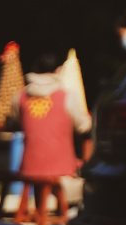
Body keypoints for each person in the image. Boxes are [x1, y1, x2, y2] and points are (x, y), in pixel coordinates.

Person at [9, 52, 91, 184]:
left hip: (29, 167)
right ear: (58, 70)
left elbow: (16, 121)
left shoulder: (20, 96)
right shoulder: (67, 96)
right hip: (62, 168)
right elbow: (83, 126)